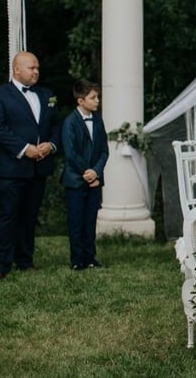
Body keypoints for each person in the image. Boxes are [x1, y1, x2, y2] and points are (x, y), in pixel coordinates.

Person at [0, 51, 61, 280]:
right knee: (7, 217)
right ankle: (0, 266)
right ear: (16, 69)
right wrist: (24, 149)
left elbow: (57, 126)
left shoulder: (48, 95)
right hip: (10, 168)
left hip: (38, 168)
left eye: (37, 68)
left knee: (29, 217)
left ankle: (24, 260)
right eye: (31, 68)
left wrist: (51, 145)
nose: (36, 71)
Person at [60, 79, 109, 270]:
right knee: (76, 221)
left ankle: (90, 258)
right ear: (81, 101)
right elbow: (71, 153)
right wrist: (87, 173)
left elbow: (104, 151)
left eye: (97, 97)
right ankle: (77, 260)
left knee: (90, 221)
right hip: (75, 180)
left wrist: (96, 172)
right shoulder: (70, 122)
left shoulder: (98, 120)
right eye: (93, 97)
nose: (97, 101)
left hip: (94, 180)